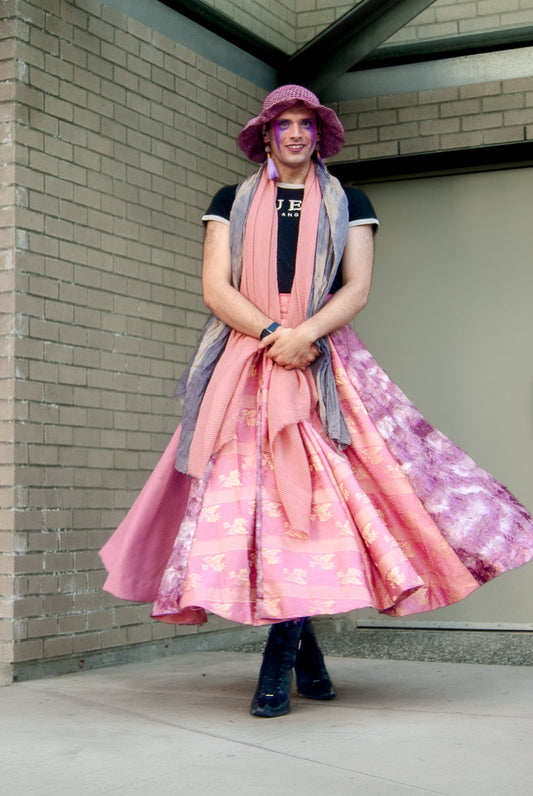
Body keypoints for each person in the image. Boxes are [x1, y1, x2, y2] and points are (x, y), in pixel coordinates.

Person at [100, 84, 533, 719]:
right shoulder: (229, 202)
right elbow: (216, 287)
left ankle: (278, 662)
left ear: (320, 134)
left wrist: (305, 336)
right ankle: (306, 660)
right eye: (285, 123)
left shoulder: (350, 202)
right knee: (257, 510)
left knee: (334, 504)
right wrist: (274, 334)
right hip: (244, 365)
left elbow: (356, 287)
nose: (297, 133)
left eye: (307, 123)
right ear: (267, 135)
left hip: (325, 364)